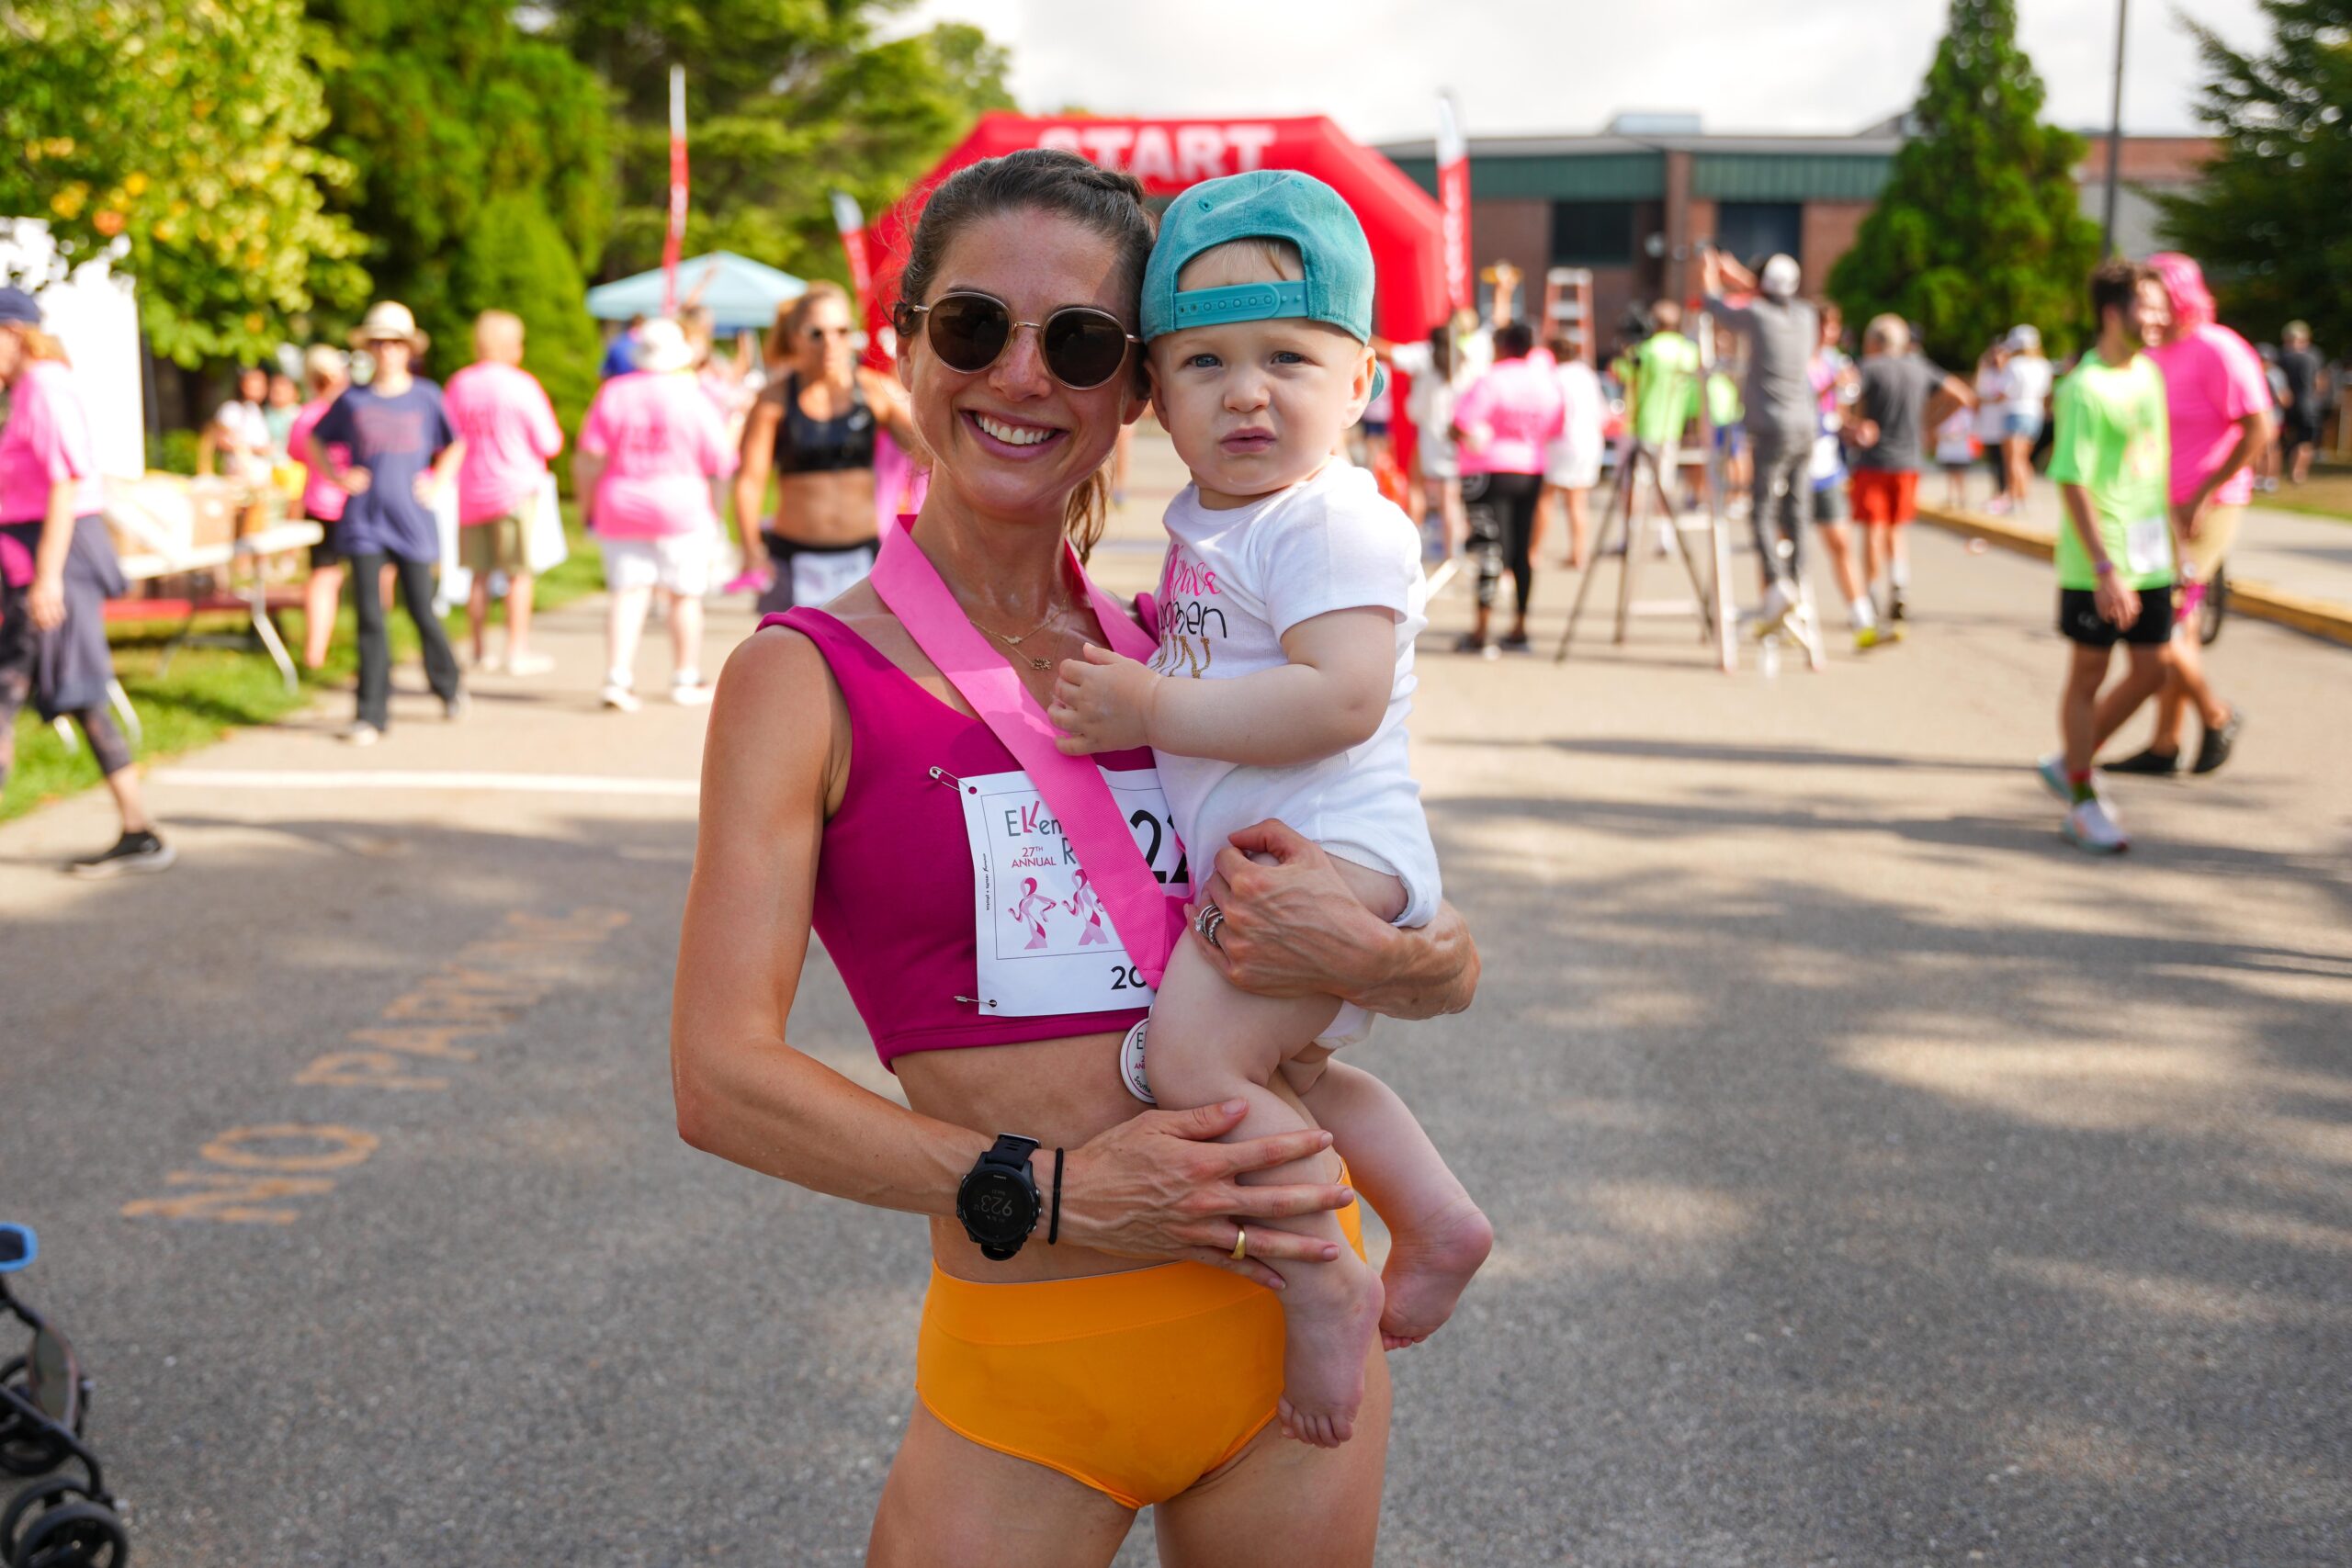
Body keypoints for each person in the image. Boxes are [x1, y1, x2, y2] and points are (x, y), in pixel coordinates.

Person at [672, 148, 1480, 1563]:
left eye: (1083, 342)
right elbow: (719, 1081)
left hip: (1290, 1330)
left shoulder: (1169, 651)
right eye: (975, 326)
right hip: (1032, 1361)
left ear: (1132, 388)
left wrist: (1410, 958)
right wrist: (1046, 1188)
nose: (1024, 376)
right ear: (906, 341)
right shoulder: (804, 679)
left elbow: (1402, 903)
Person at [1047, 169, 1492, 1450]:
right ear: (1153, 399)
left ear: (1362, 381)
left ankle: (1321, 1269)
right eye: (1203, 363)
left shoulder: (1332, 518)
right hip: (1295, 851)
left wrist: (1152, 709)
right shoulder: (1227, 519)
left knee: (1191, 1063)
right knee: (1283, 1068)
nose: (1247, 391)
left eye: (1289, 356)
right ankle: (1438, 1214)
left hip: (1332, 849)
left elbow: (1345, 696)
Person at [0, 288, 171, 875]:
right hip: (31, 559)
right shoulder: (27, 389)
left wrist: (47, 576)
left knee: (74, 688)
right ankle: (137, 828)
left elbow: (65, 483)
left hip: (56, 559)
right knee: (14, 687)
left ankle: (139, 829)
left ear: (14, 334)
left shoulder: (44, 387)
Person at [2033, 258, 2177, 854]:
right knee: (2088, 675)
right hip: (2102, 561)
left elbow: (2153, 468)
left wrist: (2178, 542)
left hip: (2151, 553)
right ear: (2115, 312)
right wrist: (2103, 567)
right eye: (2150, 306)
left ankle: (2071, 759)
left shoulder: (2148, 376)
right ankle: (2083, 801)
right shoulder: (2084, 388)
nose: (2162, 317)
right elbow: (2071, 479)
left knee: (2155, 670)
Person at [2107, 252, 2265, 777]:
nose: (2147, 311)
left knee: (2166, 625)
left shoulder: (2218, 348)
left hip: (2210, 506)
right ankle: (2165, 744)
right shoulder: (2151, 354)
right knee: (2181, 629)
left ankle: (2217, 715)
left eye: (2156, 299)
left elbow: (2259, 427)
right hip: (2157, 508)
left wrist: (2204, 493)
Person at [308, 301, 467, 744]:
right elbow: (315, 440)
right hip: (363, 521)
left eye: (395, 342)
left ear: (408, 348)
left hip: (411, 520)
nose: (387, 351)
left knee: (420, 609)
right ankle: (371, 713)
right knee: (370, 618)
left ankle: (448, 684)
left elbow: (454, 445)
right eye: (379, 342)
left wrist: (437, 484)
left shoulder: (426, 396)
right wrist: (338, 476)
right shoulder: (352, 399)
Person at [732, 281, 918, 616]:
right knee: (786, 662)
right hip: (793, 559)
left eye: (842, 331)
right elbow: (750, 480)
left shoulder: (873, 391)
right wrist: (749, 548)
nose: (831, 344)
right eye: (817, 333)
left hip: (862, 560)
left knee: (864, 664)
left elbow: (933, 450)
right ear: (794, 338)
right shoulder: (773, 401)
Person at [575, 317, 731, 710]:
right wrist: (717, 512)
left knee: (628, 593)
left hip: (622, 504)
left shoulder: (613, 393)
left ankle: (617, 677)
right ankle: (685, 676)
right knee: (684, 596)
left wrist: (586, 506)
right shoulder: (693, 396)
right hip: (682, 507)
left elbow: (590, 456)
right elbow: (720, 462)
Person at [1702, 251, 1820, 633]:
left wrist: (1711, 276)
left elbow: (1715, 306)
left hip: (1772, 426)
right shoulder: (1806, 316)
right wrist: (1741, 276)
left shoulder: (1755, 314)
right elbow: (1769, 294)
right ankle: (1798, 578)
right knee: (1797, 508)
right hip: (1806, 425)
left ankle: (1777, 585)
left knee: (1762, 510)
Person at [445, 310, 565, 678]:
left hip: (471, 490)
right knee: (518, 574)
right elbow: (549, 441)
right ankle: (516, 649)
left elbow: (446, 439)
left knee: (478, 575)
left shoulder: (459, 384)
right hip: (514, 489)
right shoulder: (521, 384)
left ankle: (478, 649)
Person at [1848, 316, 1973, 625]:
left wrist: (1854, 424)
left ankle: (1873, 592)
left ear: (1875, 342)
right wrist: (1929, 424)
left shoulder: (1869, 367)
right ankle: (1899, 584)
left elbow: (1844, 400)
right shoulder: (1920, 367)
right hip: (1909, 460)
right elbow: (1962, 395)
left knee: (1874, 529)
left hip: (1874, 460)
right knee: (1897, 527)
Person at [1451, 321, 1564, 654]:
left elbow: (1462, 423)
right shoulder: (1545, 383)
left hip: (1487, 470)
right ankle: (1520, 627)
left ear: (1501, 346)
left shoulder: (1491, 379)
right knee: (1521, 551)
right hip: (1531, 468)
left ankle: (1481, 629)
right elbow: (1556, 425)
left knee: (1489, 549)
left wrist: (1461, 437)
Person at [287, 345, 353, 671]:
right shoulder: (354, 410)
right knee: (346, 577)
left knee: (323, 575)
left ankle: (316, 651)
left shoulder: (307, 415)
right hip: (349, 504)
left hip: (322, 504)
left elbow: (296, 453)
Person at [1623, 300, 1702, 554]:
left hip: (1644, 425)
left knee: (1636, 485)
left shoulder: (1646, 351)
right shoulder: (1688, 352)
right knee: (1665, 485)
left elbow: (1625, 375)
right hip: (1672, 426)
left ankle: (1631, 536)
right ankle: (1665, 537)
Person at [1541, 334, 1605, 570]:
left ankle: (1533, 552)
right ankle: (1579, 553)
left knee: (1545, 498)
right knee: (1578, 500)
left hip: (1562, 443)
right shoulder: (1586, 374)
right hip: (1590, 442)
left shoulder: (1553, 377)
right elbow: (1601, 410)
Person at [1405, 326, 1464, 562]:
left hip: (1428, 437)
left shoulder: (1426, 366)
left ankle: (1411, 550)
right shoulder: (1464, 366)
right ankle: (1452, 554)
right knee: (1450, 498)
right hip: (1454, 440)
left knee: (1417, 488)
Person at [2000, 325, 2052, 509]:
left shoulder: (2014, 365)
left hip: (2015, 411)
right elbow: (2045, 393)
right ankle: (2023, 496)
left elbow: (2004, 391)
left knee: (2013, 460)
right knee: (2024, 459)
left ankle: (2015, 498)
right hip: (2034, 414)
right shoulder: (2044, 365)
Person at [2277, 321, 2324, 487]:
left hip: (2286, 406)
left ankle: (2280, 472)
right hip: (2308, 406)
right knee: (2306, 441)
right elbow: (2318, 383)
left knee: (2286, 440)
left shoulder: (2281, 356)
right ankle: (2298, 473)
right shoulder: (2313, 355)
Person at [207, 365, 274, 483]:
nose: (258, 387)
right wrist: (253, 450)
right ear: (243, 384)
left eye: (261, 383)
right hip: (238, 476)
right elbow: (221, 440)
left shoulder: (258, 411)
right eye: (254, 382)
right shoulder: (231, 409)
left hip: (260, 477)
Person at [1973, 336, 2015, 512]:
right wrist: (1980, 367)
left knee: (2006, 462)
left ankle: (2008, 494)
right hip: (1989, 425)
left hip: (2004, 424)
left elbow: (2001, 397)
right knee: (1994, 461)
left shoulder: (2009, 373)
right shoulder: (1987, 373)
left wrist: (1988, 400)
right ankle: (1997, 493)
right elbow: (1977, 392)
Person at [262, 370, 302, 463]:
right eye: (274, 390)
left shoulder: (300, 415)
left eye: (283, 389)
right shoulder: (262, 413)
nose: (278, 393)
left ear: (295, 392)